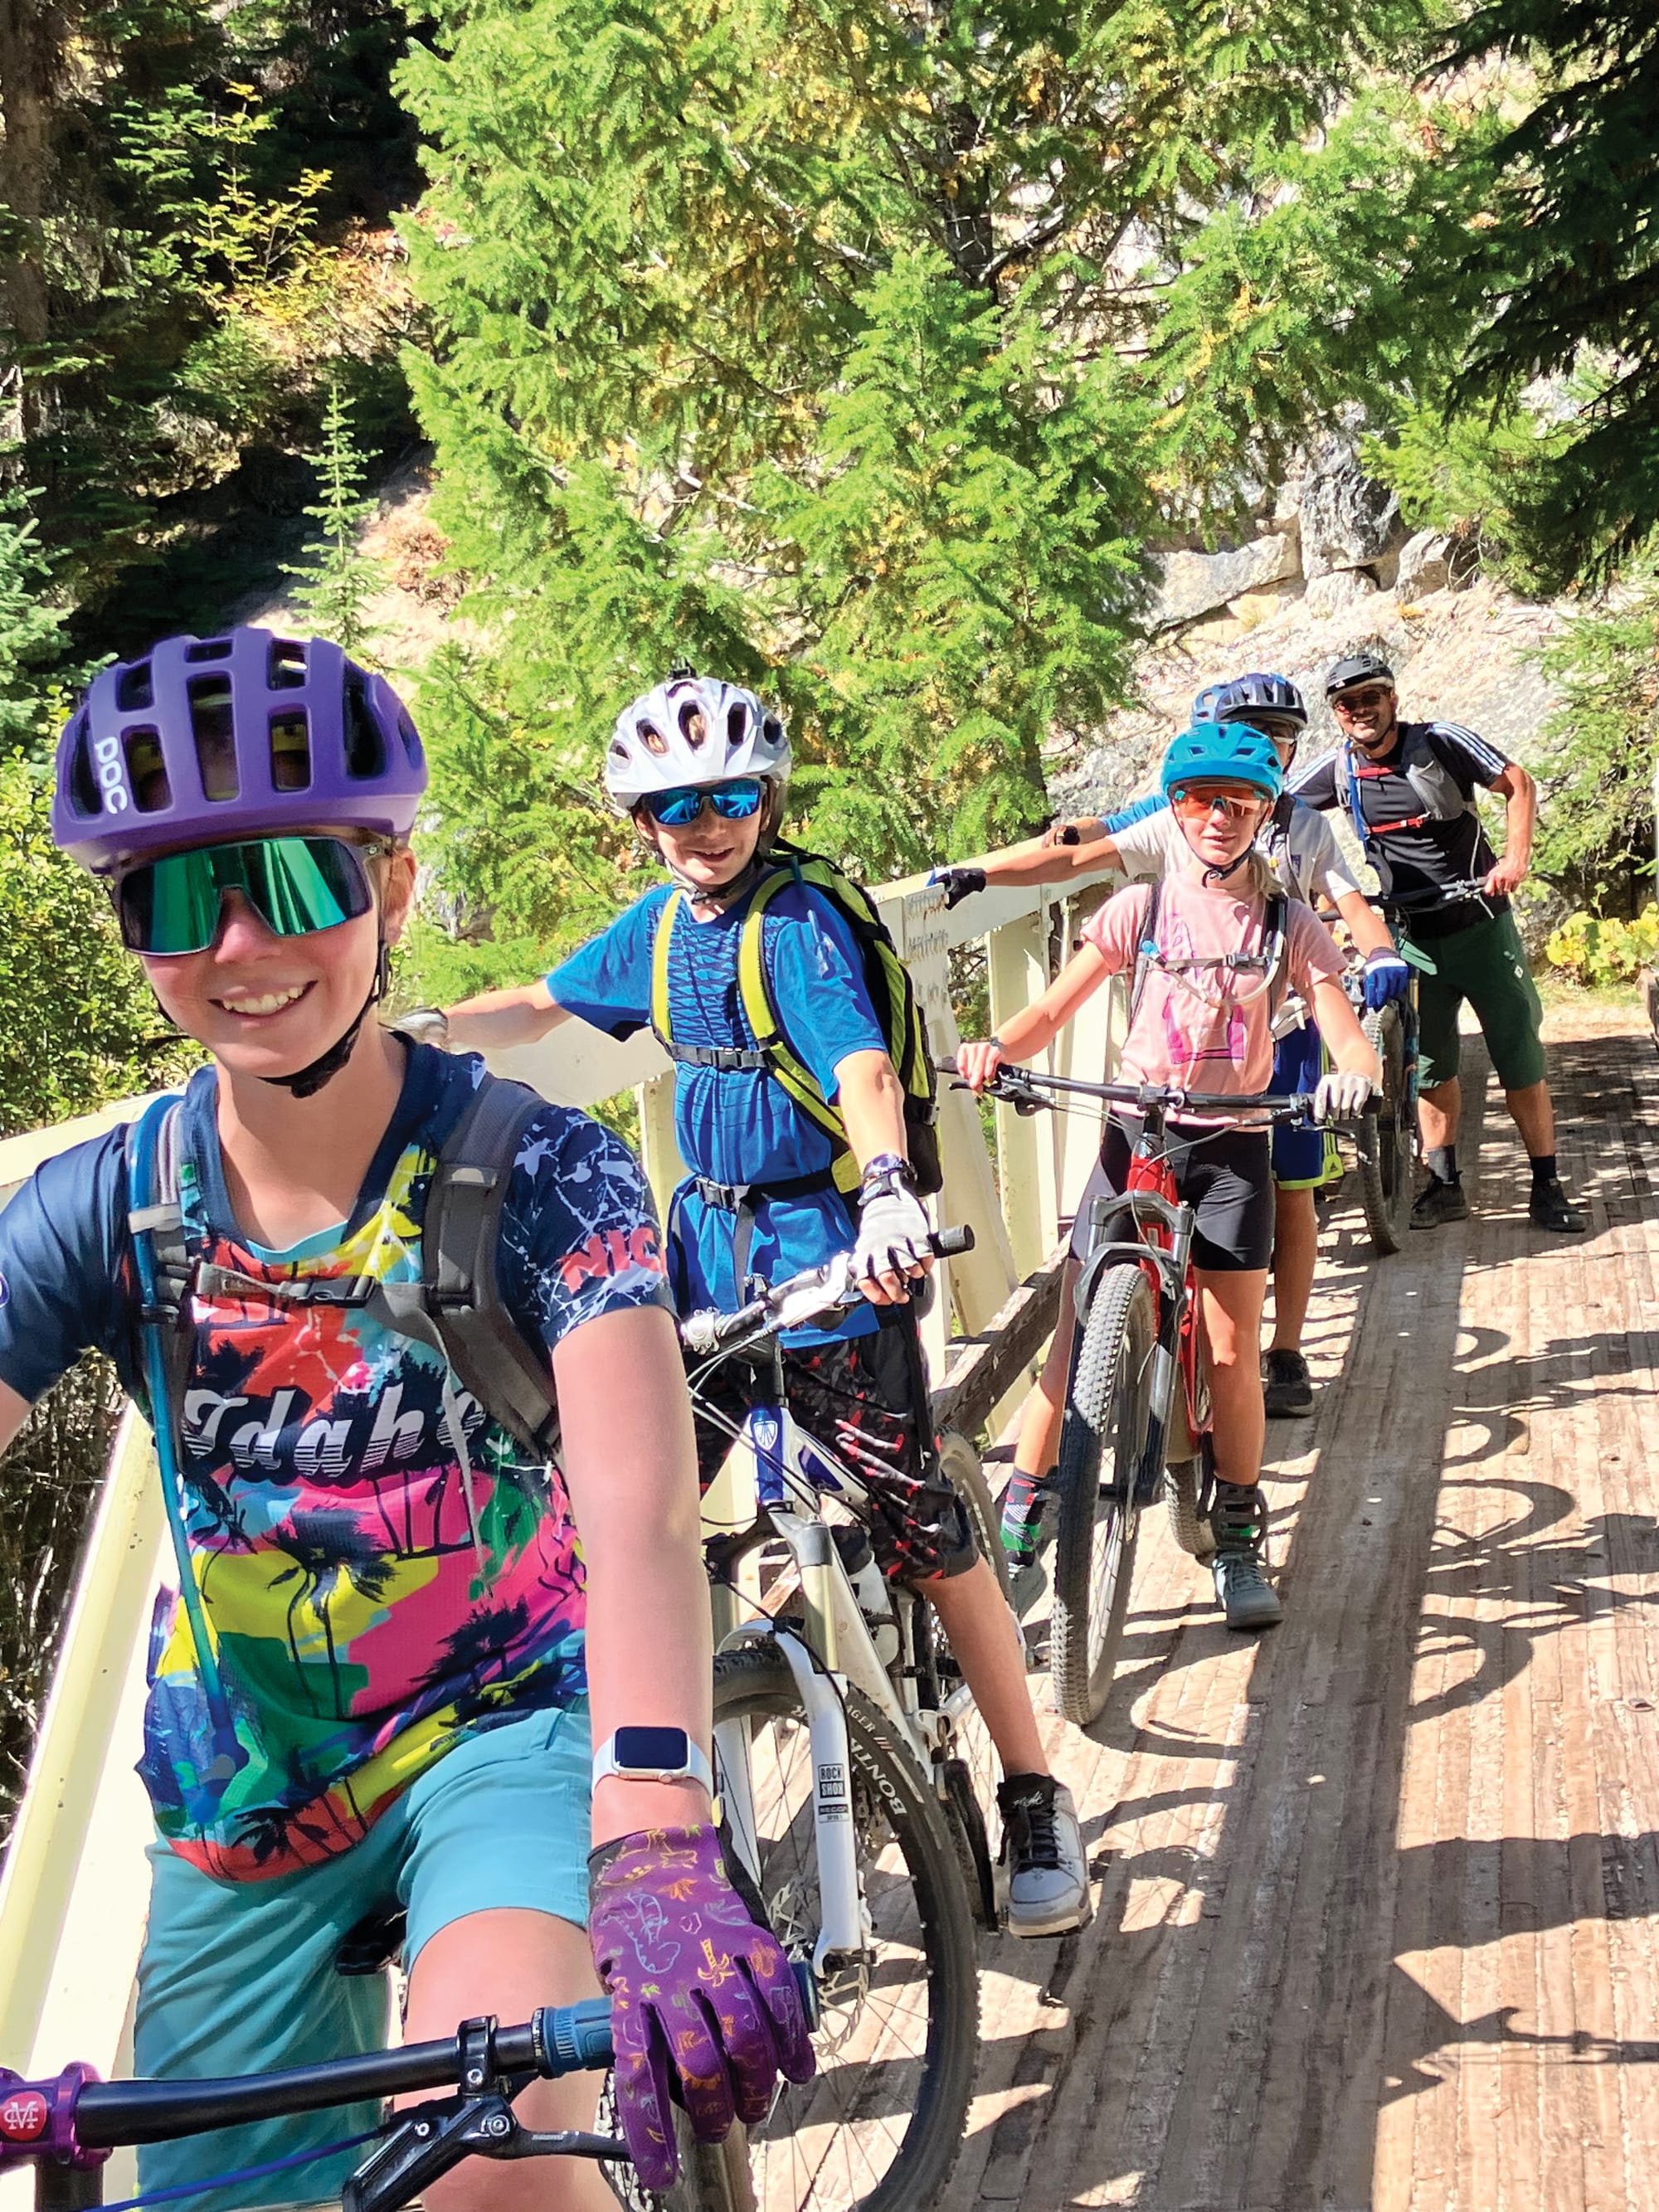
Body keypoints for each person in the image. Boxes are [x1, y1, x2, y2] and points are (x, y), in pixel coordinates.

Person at [0, 629, 811, 2212]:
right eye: (174, 898)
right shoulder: (103, 1209)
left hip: (505, 1726)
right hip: (246, 1792)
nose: (239, 944)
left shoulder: (542, 1169)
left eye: (295, 880)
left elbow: (641, 1507)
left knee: (488, 2167)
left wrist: (652, 1817)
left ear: (392, 890)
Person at [440, 668, 1092, 1938]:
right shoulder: (662, 925)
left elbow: (857, 1062)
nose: (706, 822)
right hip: (707, 1256)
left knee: (918, 1521)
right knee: (639, 1510)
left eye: (731, 793)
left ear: (769, 794)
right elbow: (537, 1005)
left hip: (831, 1251)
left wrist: (893, 1186)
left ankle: (1032, 1788)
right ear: (640, 822)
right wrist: (405, 1034)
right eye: (674, 805)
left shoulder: (792, 922)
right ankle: (667, 1769)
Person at [955, 722, 1381, 1632]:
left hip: (1232, 1143)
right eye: (1195, 800)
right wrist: (997, 1049)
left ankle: (1234, 1530)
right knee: (1073, 1332)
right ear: (1174, 810)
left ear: (1265, 810)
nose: (1215, 817)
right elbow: (1049, 1008)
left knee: (1231, 1350)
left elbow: (1339, 1023)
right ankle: (1026, 1517)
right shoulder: (1137, 911)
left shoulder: (1286, 921)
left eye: (1236, 801)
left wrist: (1354, 1074)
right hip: (1135, 1132)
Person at [929, 672, 1410, 1418]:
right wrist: (982, 871)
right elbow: (1073, 852)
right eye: (1258, 733)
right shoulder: (1177, 820)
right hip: (1174, 1055)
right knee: (1155, 1210)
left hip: (1277, 1031)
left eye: (1283, 739)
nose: (1220, 810)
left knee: (1291, 1183)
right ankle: (1154, 1332)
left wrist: (1375, 954)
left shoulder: (1304, 828)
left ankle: (1283, 1349)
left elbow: (1349, 902)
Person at [1292, 653, 1584, 1234]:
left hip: (1481, 926)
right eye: (1346, 704)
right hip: (1411, 939)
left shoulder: (1442, 741)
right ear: (1336, 715)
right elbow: (1275, 811)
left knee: (1518, 1056)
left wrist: (1515, 857)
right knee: (1430, 1067)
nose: (1359, 711)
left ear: (1393, 698)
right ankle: (1444, 1184)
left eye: (1370, 697)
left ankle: (1547, 1185)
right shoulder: (1339, 772)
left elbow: (1517, 782)